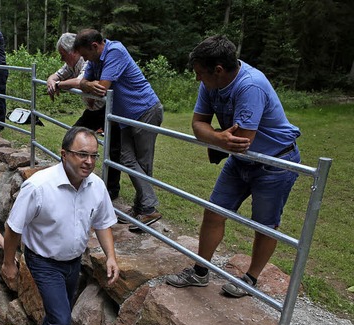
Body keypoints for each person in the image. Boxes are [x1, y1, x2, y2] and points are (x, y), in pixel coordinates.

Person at [165, 35, 301, 298]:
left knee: (265, 224)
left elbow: (241, 141)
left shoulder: (251, 86)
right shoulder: (210, 83)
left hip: (275, 163)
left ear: (218, 70)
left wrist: (213, 136)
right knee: (214, 211)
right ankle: (200, 272)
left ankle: (250, 279)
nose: (197, 79)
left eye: (200, 73)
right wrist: (217, 137)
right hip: (241, 161)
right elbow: (197, 125)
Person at [1, 127, 120, 325]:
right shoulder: (38, 187)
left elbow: (103, 223)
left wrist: (111, 257)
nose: (89, 161)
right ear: (64, 154)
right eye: (82, 154)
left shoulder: (96, 186)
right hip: (44, 261)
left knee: (57, 315)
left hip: (73, 261)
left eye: (94, 156)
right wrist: (8, 263)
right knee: (61, 319)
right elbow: (13, 227)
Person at [74, 29, 163, 231]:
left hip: (145, 110)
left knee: (141, 161)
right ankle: (143, 206)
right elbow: (84, 84)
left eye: (85, 55)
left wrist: (89, 86)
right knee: (126, 159)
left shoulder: (116, 51)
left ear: (95, 46)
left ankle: (147, 208)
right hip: (125, 116)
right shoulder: (95, 59)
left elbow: (102, 88)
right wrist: (87, 85)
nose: (84, 60)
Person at [46, 32, 121, 200]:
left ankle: (111, 191)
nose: (62, 59)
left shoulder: (86, 61)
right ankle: (68, 176)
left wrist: (59, 85)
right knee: (72, 137)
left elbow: (80, 82)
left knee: (113, 149)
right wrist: (52, 81)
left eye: (63, 55)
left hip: (108, 109)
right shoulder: (70, 64)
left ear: (72, 52)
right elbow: (57, 75)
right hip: (94, 110)